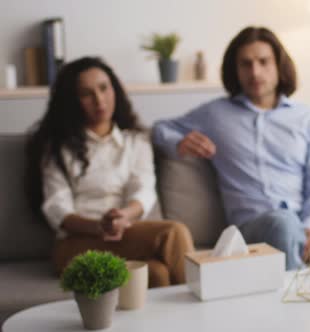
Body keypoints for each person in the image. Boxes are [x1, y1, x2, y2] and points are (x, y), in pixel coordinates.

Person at [152, 26, 310, 270]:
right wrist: (179, 142)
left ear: (279, 65)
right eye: (245, 64)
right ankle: (296, 302)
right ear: (235, 71)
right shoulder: (215, 115)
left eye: (263, 62)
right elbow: (160, 128)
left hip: (309, 222)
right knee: (283, 223)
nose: (255, 72)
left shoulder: (309, 118)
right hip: (256, 226)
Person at [25, 57, 194, 288]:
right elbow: (57, 208)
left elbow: (143, 188)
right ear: (73, 100)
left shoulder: (136, 141)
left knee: (157, 274)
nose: (99, 100)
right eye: (86, 94)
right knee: (174, 232)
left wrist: (124, 216)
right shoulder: (57, 148)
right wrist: (98, 226)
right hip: (76, 242)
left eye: (104, 88)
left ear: (115, 89)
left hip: (127, 234)